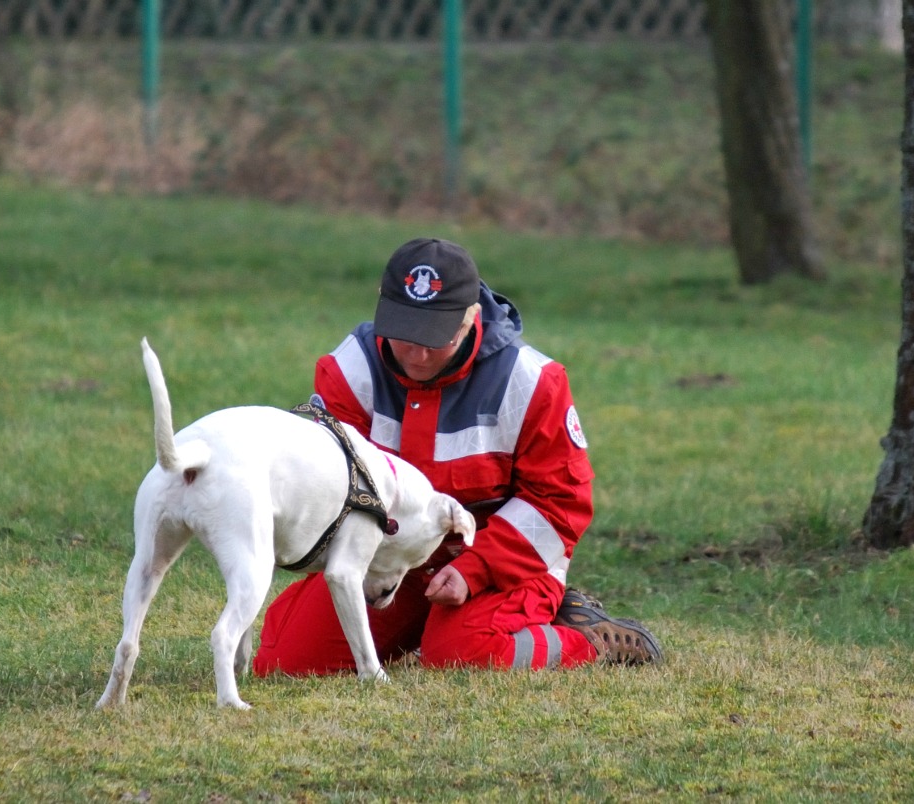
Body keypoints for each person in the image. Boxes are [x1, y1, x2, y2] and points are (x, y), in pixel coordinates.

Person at [252, 237, 661, 675]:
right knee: (286, 663)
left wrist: (476, 569)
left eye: (435, 338)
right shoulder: (350, 369)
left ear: (471, 318)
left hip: (505, 560)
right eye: (404, 333)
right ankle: (423, 626)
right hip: (388, 557)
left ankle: (588, 640)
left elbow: (559, 505)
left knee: (458, 655)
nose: (417, 353)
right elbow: (323, 482)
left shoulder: (532, 382)